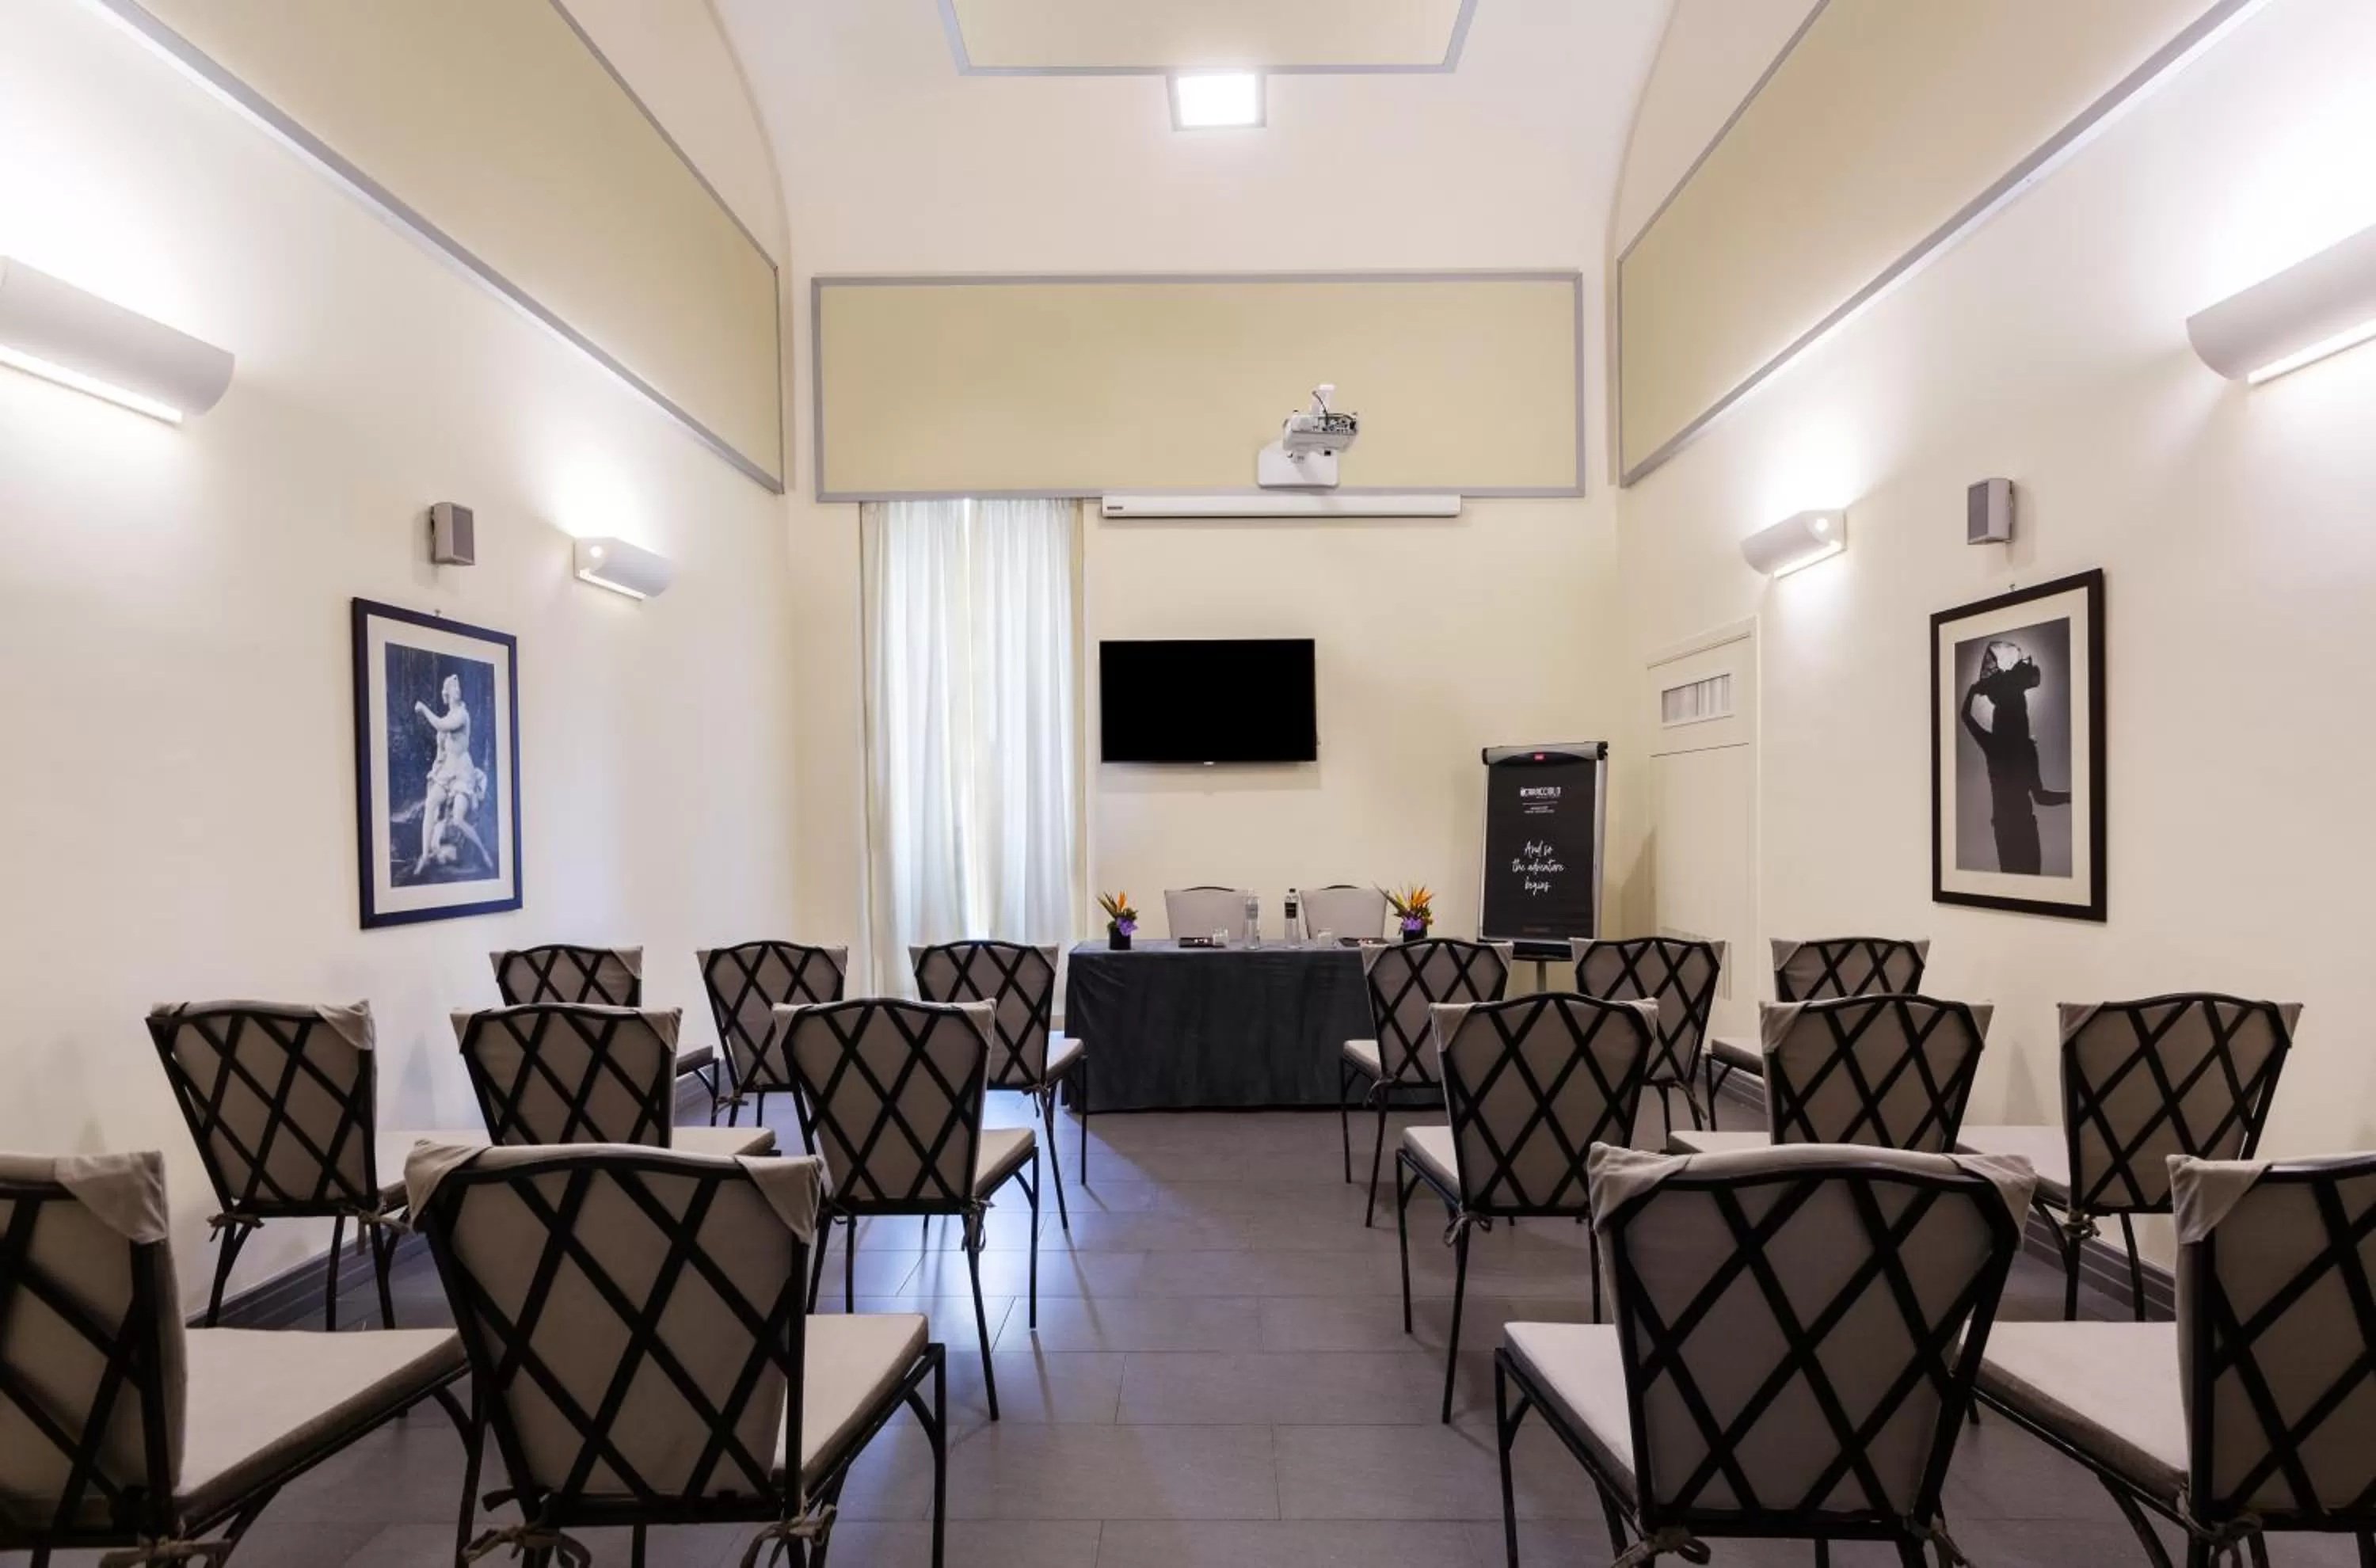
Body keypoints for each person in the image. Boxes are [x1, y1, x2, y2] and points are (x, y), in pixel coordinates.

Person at [1960, 640, 2071, 875]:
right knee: (2031, 883)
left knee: (2013, 883)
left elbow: (1965, 716)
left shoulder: (1993, 745)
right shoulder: (2026, 749)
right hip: (2025, 826)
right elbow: (2041, 797)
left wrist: (1972, 691)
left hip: (2005, 829)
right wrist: (2071, 796)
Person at [412, 673, 491, 875]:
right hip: (448, 770)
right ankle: (425, 856)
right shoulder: (449, 716)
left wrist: (423, 709)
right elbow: (442, 749)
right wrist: (438, 769)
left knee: (457, 819)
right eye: (454, 688)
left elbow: (440, 725)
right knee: (431, 804)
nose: (458, 690)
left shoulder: (462, 715)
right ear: (447, 693)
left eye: (459, 687)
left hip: (463, 772)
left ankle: (483, 852)